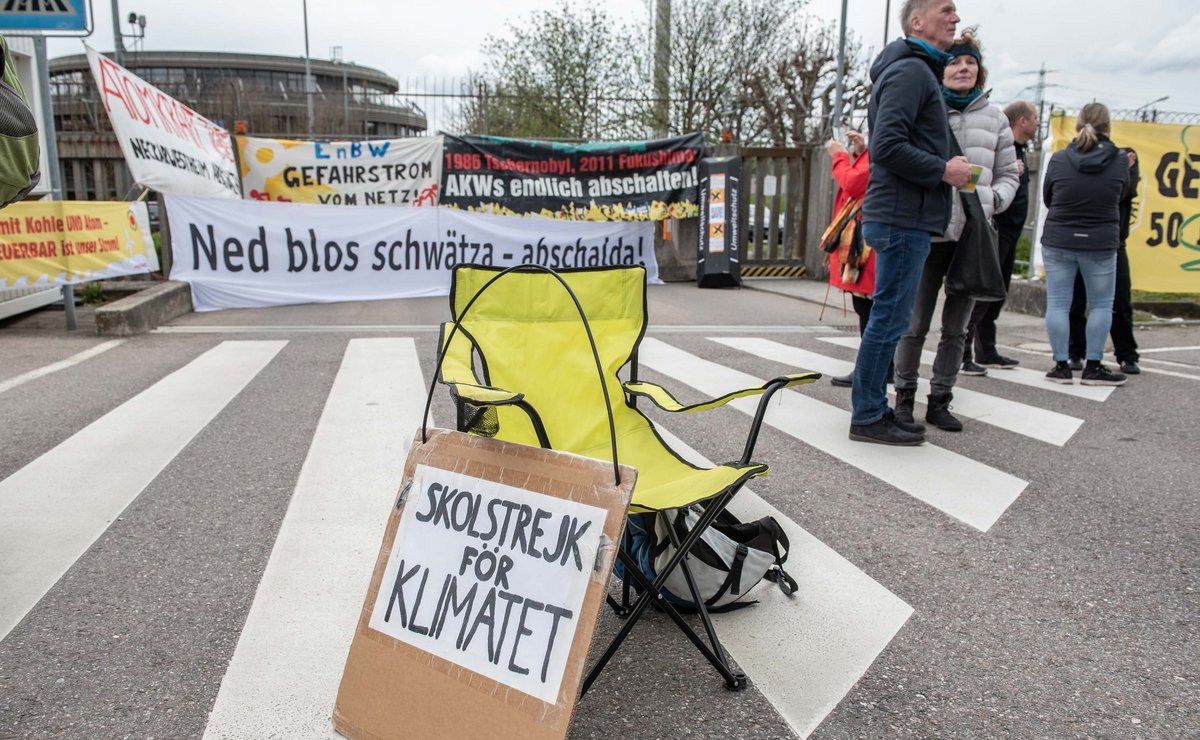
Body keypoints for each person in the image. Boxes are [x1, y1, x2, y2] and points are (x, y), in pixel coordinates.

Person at [849, 0, 969, 446]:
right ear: (917, 21)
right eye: (946, 10)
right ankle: (867, 415)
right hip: (901, 216)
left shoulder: (914, 70)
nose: (955, 18)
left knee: (889, 319)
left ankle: (874, 409)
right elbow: (887, 146)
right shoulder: (911, 72)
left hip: (903, 214)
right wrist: (944, 169)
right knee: (889, 320)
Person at [892, 28, 1018, 432]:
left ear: (979, 71)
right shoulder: (929, 109)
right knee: (913, 325)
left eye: (970, 62)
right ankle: (904, 396)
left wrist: (993, 200)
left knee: (956, 328)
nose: (963, 68)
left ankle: (941, 398)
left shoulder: (995, 118)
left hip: (973, 235)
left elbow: (1008, 175)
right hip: (930, 229)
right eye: (955, 61)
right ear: (942, 69)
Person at [1041, 102, 1132, 386]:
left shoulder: (1058, 158)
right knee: (1102, 305)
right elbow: (1121, 194)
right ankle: (1094, 366)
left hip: (1059, 238)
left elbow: (1048, 196)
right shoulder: (1119, 159)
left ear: (1078, 125)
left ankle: (1061, 365)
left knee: (1058, 303)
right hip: (1101, 242)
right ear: (1108, 126)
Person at [961, 100, 1038, 374]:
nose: (1038, 123)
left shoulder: (1018, 150)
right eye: (1035, 118)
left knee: (996, 294)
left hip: (1010, 234)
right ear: (1022, 121)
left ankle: (986, 350)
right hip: (994, 230)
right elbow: (977, 177)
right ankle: (964, 353)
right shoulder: (1000, 147)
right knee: (981, 292)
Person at [1066, 147, 1141, 374]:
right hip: (1082, 239)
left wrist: (1124, 171)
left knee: (1119, 301)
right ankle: (1075, 352)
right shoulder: (1077, 162)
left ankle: (1127, 355)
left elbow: (1124, 192)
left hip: (1113, 242)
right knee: (1076, 300)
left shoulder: (1127, 158)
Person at [824, 130, 887, 388]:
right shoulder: (879, 150)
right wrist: (860, 152)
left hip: (867, 235)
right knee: (867, 304)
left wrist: (839, 155)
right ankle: (880, 366)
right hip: (867, 232)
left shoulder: (884, 148)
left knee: (868, 305)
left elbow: (853, 182)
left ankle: (873, 367)